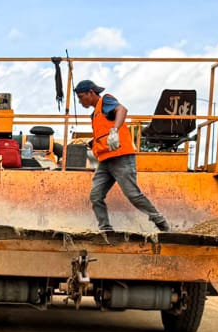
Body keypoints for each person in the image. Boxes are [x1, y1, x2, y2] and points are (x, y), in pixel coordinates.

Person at [72, 79, 170, 233]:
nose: (80, 100)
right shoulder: (95, 114)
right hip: (105, 161)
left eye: (81, 96)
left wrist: (114, 130)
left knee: (133, 194)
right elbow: (102, 134)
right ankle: (106, 229)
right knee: (96, 195)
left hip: (121, 157)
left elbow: (122, 109)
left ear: (91, 92)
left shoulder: (106, 101)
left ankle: (160, 221)